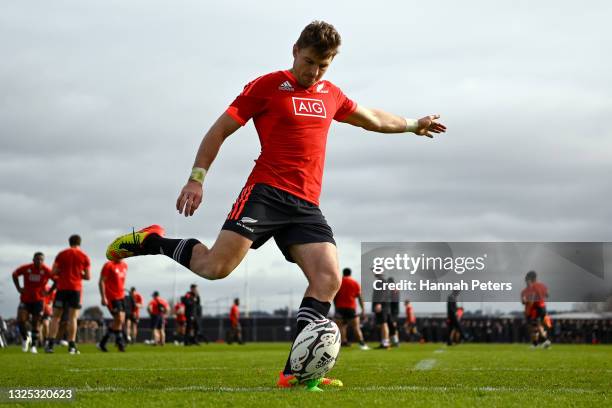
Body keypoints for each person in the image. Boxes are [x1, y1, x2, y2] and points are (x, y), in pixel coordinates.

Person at [105, 20, 445, 389]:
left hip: (305, 205)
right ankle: (152, 241)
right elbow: (218, 130)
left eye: (324, 65)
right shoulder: (267, 86)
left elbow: (374, 119)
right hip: (266, 193)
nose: (314, 72)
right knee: (214, 267)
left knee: (327, 278)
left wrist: (414, 123)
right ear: (296, 50)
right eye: (310, 61)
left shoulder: (331, 93)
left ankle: (296, 373)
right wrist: (196, 179)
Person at [45, 235, 91, 354]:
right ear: (80, 243)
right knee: (73, 318)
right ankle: (71, 346)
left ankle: (50, 345)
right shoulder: (84, 256)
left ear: (69, 242)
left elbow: (53, 272)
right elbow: (88, 276)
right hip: (75, 289)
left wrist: (62, 272)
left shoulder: (61, 254)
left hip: (62, 288)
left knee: (55, 317)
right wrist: (78, 273)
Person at [11, 252, 54, 353]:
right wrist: (18, 288)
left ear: (43, 261)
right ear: (33, 259)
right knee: (20, 319)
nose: (39, 261)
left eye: (41, 260)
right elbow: (14, 274)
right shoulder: (27, 268)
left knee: (36, 323)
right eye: (37, 259)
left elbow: (56, 280)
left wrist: (49, 292)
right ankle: (26, 338)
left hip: (39, 300)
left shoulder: (46, 270)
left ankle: (34, 346)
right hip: (25, 299)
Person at [333, 268, 369, 350]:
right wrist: (363, 309)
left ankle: (343, 342)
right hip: (351, 307)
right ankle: (362, 343)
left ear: (343, 273)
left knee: (341, 326)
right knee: (356, 326)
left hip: (340, 307)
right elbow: (360, 297)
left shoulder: (339, 282)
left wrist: (336, 307)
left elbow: (335, 296)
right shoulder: (355, 283)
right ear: (350, 273)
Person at [97, 259, 128, 352]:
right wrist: (103, 297)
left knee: (120, 320)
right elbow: (101, 281)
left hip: (121, 296)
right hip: (112, 297)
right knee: (118, 318)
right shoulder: (108, 265)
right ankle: (120, 343)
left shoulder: (125, 265)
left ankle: (102, 343)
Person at [521, 270, 551, 348]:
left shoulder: (532, 287)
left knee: (536, 325)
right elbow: (547, 295)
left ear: (530, 278)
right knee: (537, 325)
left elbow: (532, 299)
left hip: (536, 308)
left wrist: (528, 303)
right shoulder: (542, 285)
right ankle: (537, 343)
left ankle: (544, 341)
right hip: (543, 307)